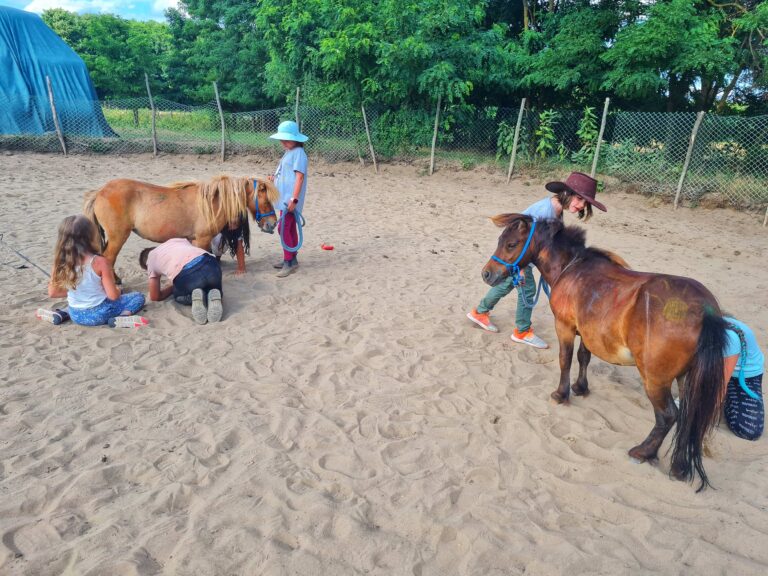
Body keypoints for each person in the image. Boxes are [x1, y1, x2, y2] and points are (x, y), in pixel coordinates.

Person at [467, 172, 607, 348]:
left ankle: (480, 312)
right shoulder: (545, 211)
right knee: (527, 289)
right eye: (579, 199)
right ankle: (522, 331)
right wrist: (523, 269)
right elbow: (522, 237)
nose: (581, 205)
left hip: (525, 257)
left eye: (585, 203)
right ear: (566, 193)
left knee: (508, 283)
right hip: (520, 256)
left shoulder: (555, 209)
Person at [47, 215, 146, 327]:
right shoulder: (100, 262)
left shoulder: (59, 262)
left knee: (76, 303)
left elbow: (53, 293)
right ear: (90, 237)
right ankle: (122, 317)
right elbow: (113, 296)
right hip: (101, 314)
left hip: (76, 315)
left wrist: (78, 290)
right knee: (138, 297)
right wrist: (117, 290)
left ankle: (63, 313)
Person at [139, 238, 223, 325]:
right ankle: (213, 293)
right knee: (213, 286)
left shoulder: (151, 259)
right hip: (211, 264)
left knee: (178, 295)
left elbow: (155, 297)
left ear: (146, 264)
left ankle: (195, 297)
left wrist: (172, 287)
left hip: (187, 275)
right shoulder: (175, 241)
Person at [269, 120, 308, 278]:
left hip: (289, 200)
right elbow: (287, 173)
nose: (283, 142)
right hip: (284, 198)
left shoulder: (299, 153)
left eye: (287, 139)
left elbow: (299, 178)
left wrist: (294, 199)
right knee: (289, 228)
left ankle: (288, 262)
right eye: (282, 139)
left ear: (296, 138)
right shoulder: (290, 151)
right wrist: (274, 178)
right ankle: (292, 259)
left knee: (283, 228)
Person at [722, 317, 764, 440]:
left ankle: (730, 398)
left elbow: (720, 386)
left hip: (744, 375)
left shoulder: (729, 337)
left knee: (749, 429)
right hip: (718, 367)